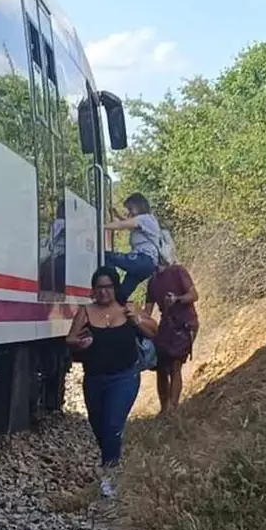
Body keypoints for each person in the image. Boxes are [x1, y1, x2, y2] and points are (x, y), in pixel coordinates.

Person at [65, 266, 159, 498]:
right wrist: (79, 343)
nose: (104, 292)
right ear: (93, 291)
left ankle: (110, 475)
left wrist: (136, 320)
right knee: (99, 426)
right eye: (99, 288)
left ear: (115, 288)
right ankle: (111, 455)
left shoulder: (128, 309)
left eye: (108, 287)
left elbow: (153, 331)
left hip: (124, 377)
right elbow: (70, 338)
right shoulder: (86, 312)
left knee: (112, 424)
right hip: (95, 378)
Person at [145, 260, 199, 414]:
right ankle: (164, 410)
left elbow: (194, 295)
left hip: (185, 323)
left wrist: (177, 299)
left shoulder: (178, 271)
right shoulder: (152, 281)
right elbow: (147, 312)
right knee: (161, 367)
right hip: (166, 326)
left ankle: (172, 409)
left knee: (175, 365)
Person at [104, 193, 162, 304]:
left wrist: (99, 227)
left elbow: (122, 225)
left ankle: (111, 283)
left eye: (130, 209)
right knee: (120, 297)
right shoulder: (148, 220)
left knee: (107, 256)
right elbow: (126, 224)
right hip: (147, 265)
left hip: (143, 259)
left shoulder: (144, 218)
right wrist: (117, 215)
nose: (129, 213)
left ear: (138, 206)